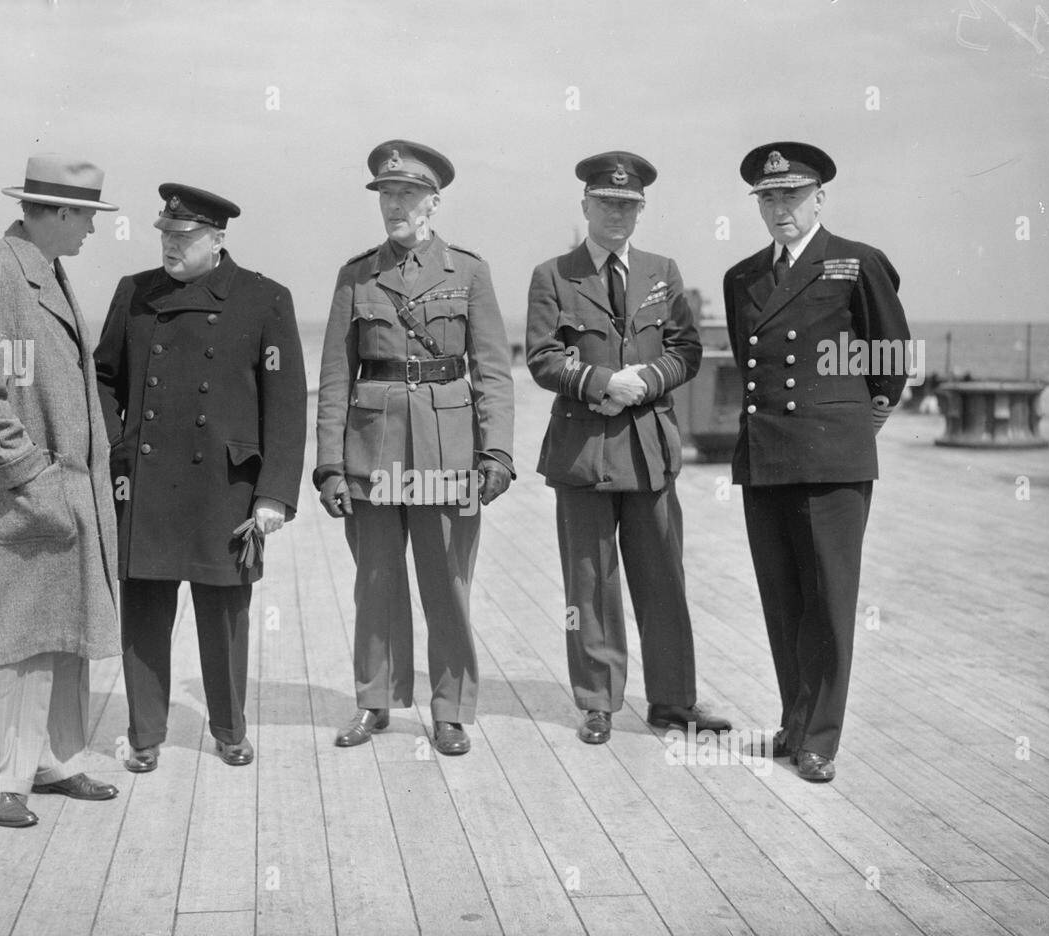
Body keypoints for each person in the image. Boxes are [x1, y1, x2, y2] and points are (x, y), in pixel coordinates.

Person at [94, 184, 306, 771]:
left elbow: (286, 406)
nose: (170, 245)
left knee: (225, 616)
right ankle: (144, 736)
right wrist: (118, 448)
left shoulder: (264, 299)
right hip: (146, 481)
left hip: (226, 487)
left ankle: (230, 730)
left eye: (183, 237)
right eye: (164, 234)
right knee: (143, 614)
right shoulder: (135, 293)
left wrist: (274, 494)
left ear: (216, 240)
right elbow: (103, 378)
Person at [313, 140, 515, 756]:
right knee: (375, 581)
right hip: (373, 454)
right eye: (386, 194)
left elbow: (492, 371)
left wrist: (497, 454)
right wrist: (329, 467)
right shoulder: (356, 276)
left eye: (407, 193)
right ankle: (374, 701)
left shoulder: (468, 272)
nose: (395, 205)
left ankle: (450, 710)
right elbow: (335, 377)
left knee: (447, 582)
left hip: (446, 454)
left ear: (433, 201)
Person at [0, 153, 123, 828]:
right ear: (61, 212)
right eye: (88, 217)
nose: (94, 230)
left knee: (61, 628)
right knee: (12, 634)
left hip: (62, 492)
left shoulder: (45, 268)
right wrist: (32, 479)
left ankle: (53, 762)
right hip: (24, 494)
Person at [525, 151, 727, 746]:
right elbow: (541, 357)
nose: (617, 214)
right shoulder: (553, 275)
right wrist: (601, 383)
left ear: (641, 210)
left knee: (663, 576)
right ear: (585, 205)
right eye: (606, 203)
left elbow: (686, 350)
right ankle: (597, 702)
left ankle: (673, 701)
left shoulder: (663, 271)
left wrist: (647, 380)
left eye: (628, 205)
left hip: (647, 450)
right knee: (589, 583)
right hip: (583, 451)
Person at [723, 142, 909, 782]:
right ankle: (795, 722)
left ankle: (821, 739)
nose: (781, 209)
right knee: (783, 599)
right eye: (769, 198)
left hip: (833, 459)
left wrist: (855, 428)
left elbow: (890, 359)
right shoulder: (742, 277)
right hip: (765, 455)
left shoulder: (857, 263)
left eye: (793, 196)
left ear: (819, 198)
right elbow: (750, 363)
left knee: (828, 601)